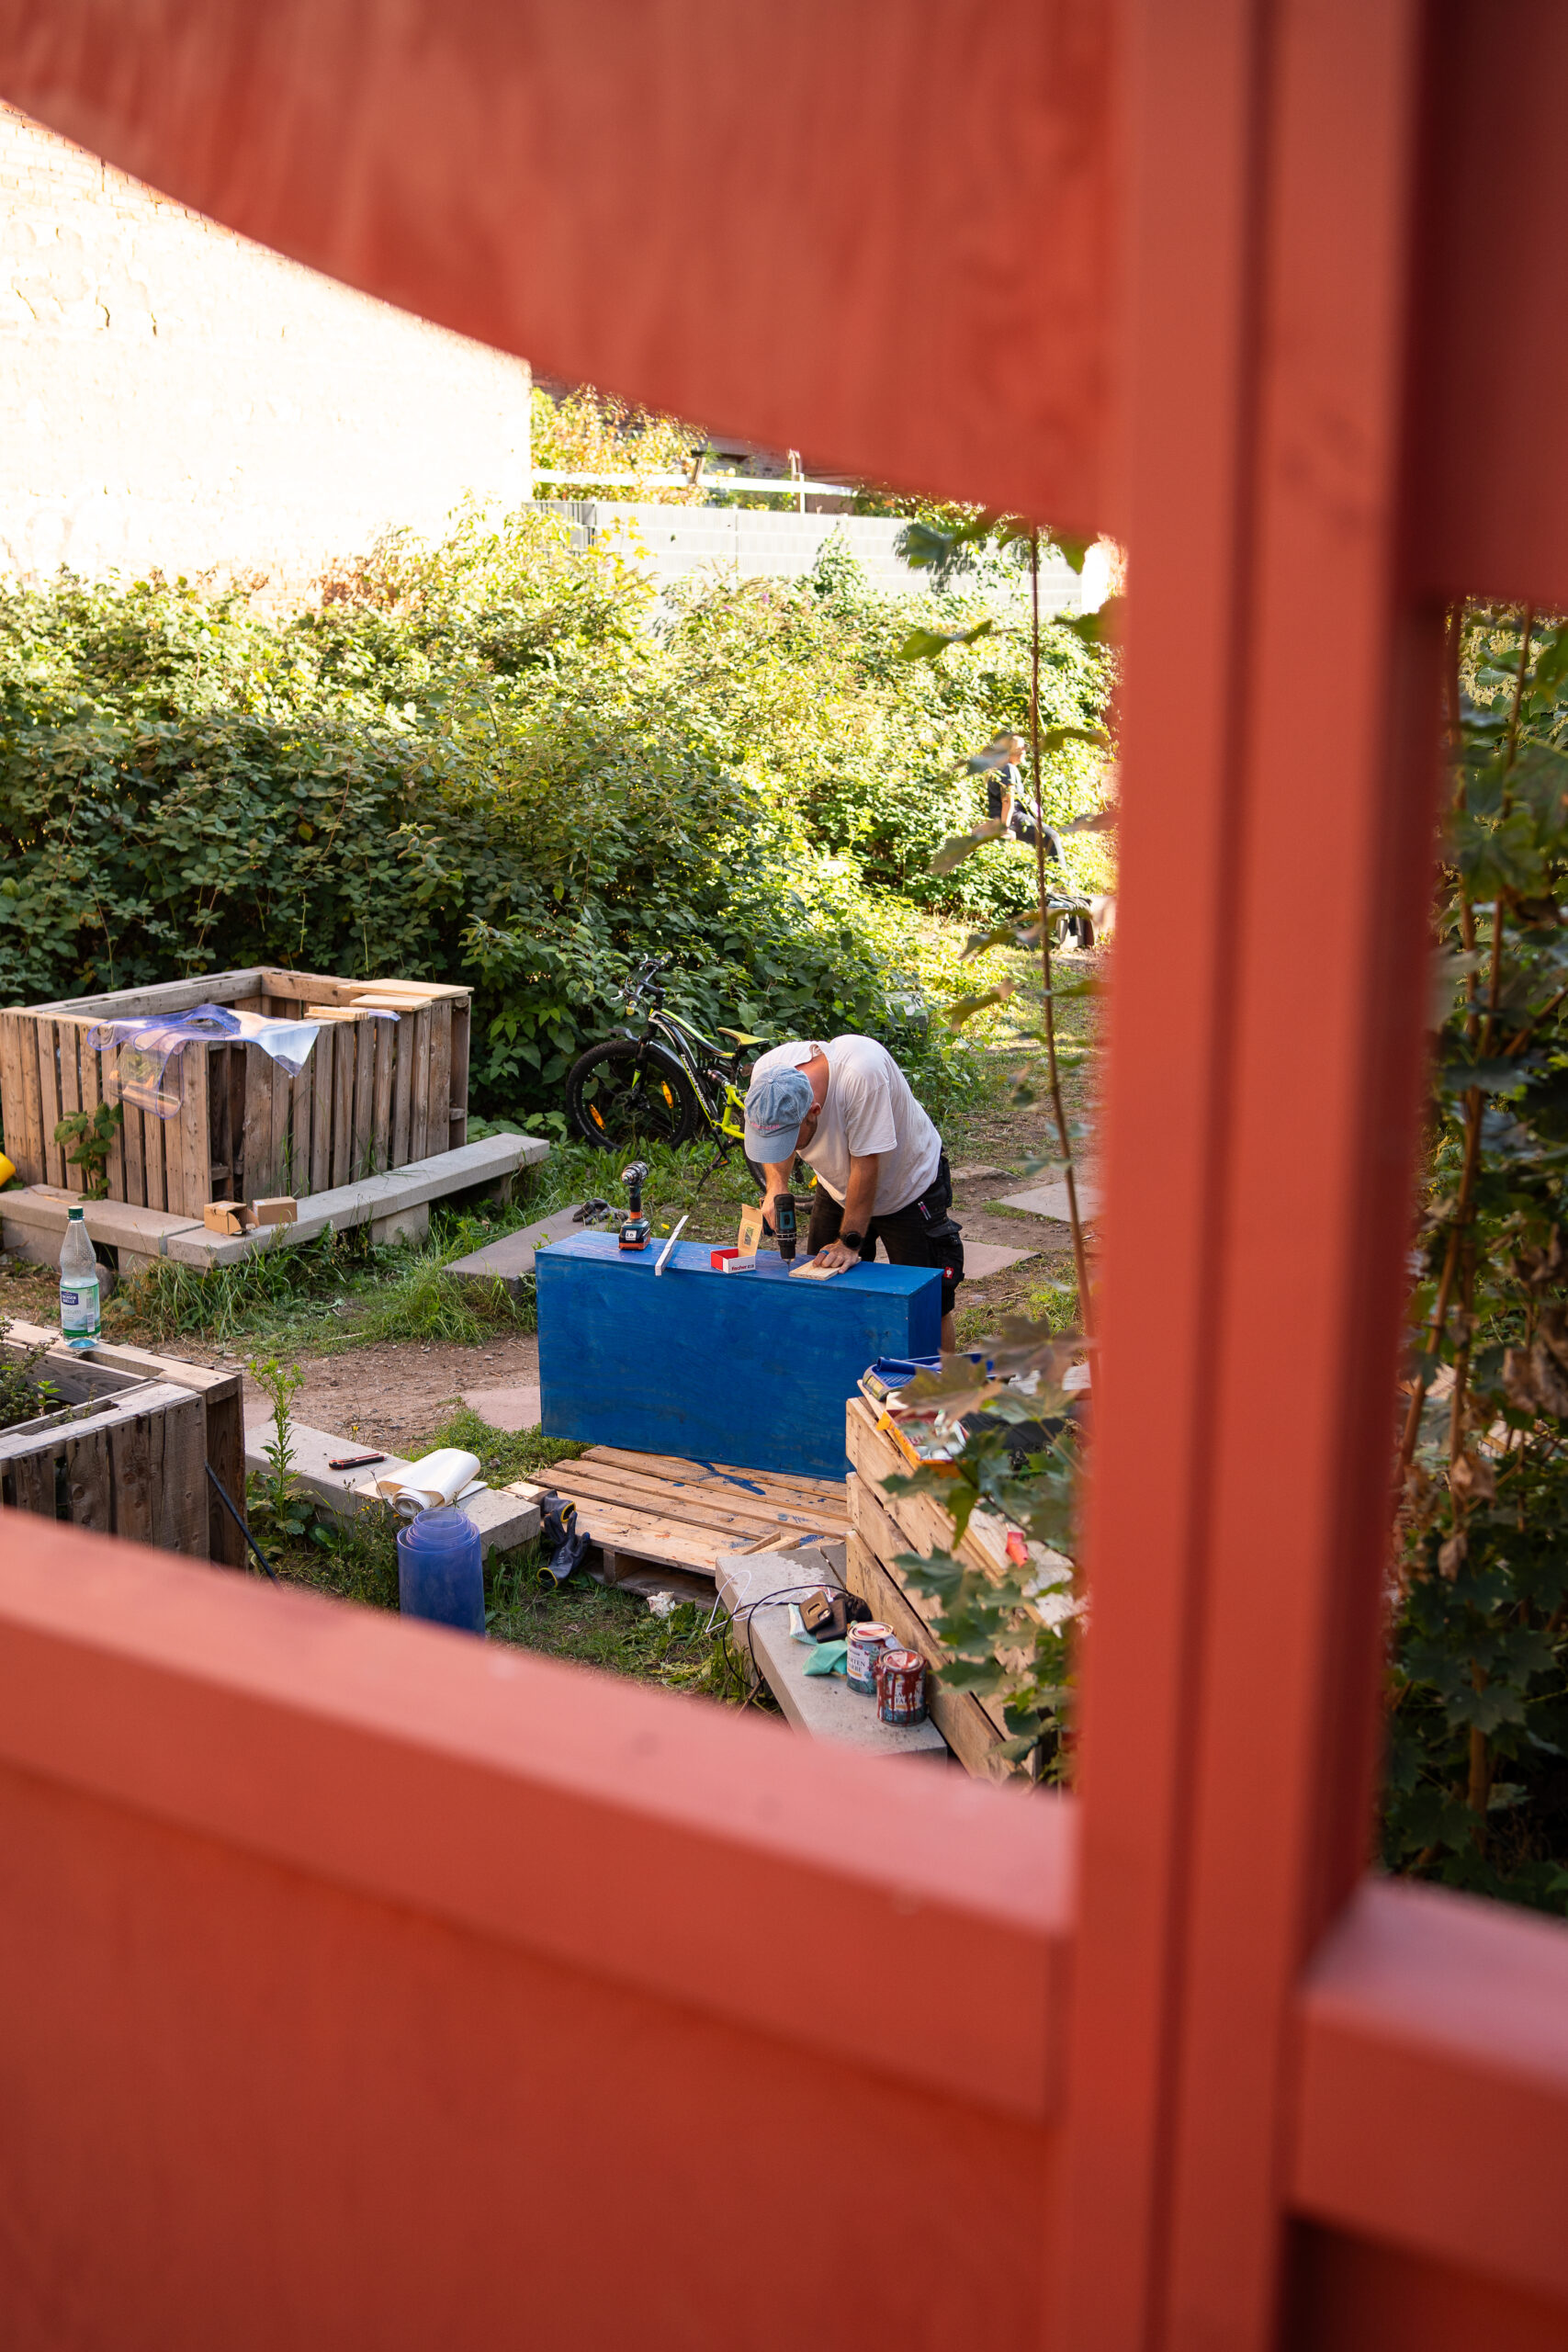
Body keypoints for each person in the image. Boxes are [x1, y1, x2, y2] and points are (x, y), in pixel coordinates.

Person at [743, 1035, 964, 1349]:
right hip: (837, 1187)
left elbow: (866, 1166)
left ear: (814, 1110)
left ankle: (943, 1392)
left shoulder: (862, 1076)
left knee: (927, 1304)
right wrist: (776, 1183)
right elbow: (773, 1138)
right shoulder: (768, 1077)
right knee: (823, 1291)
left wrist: (849, 1242)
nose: (786, 1149)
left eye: (791, 1139)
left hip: (908, 1186)